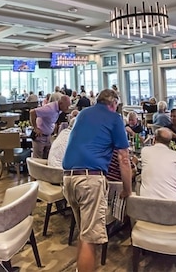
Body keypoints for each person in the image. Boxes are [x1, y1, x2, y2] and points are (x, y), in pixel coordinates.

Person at [62, 89, 131, 272]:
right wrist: (128, 189)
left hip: (68, 179)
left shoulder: (83, 114)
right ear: (114, 103)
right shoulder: (114, 118)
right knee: (89, 238)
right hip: (90, 181)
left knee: (84, 233)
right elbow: (124, 159)